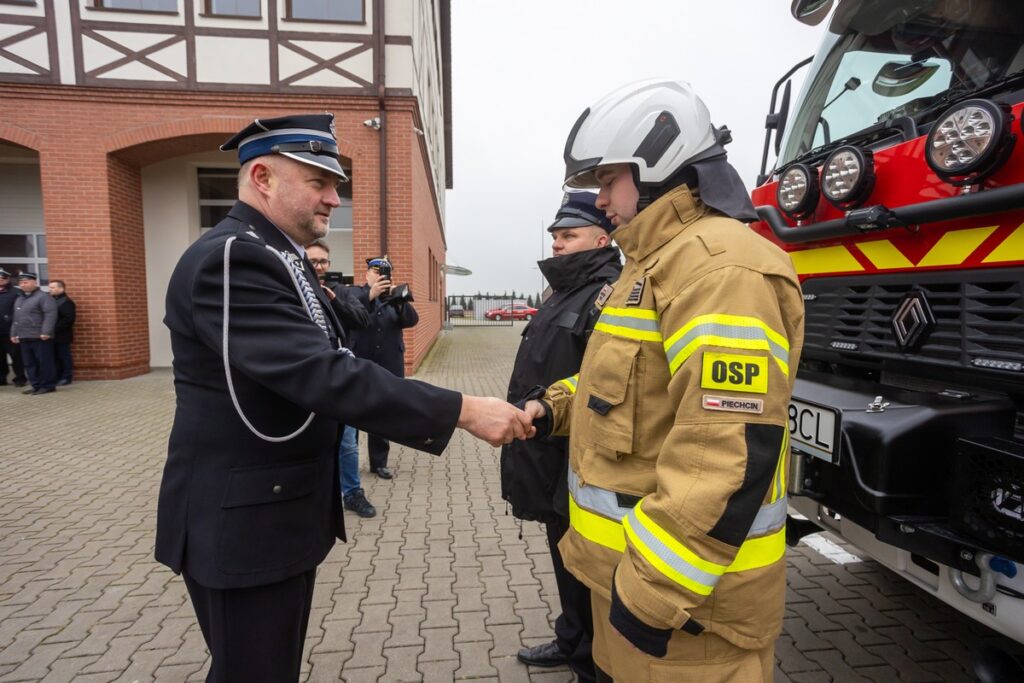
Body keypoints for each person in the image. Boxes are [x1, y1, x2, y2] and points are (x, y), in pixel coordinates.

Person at [156, 114, 532, 683]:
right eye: (318, 182)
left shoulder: (278, 255)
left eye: (337, 183)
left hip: (271, 514)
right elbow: (322, 373)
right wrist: (461, 409)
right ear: (262, 177)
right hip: (243, 525)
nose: (335, 198)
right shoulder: (235, 257)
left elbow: (336, 355)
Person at [523, 79, 805, 682]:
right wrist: (552, 409)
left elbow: (725, 456)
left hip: (687, 614)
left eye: (606, 181)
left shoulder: (722, 270)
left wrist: (649, 598)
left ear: (657, 163)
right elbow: (625, 389)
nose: (599, 201)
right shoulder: (649, 268)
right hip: (622, 586)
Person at [502, 191, 621, 680]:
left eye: (568, 235)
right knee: (563, 554)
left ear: (602, 238)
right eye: (554, 235)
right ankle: (572, 639)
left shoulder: (608, 293)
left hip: (581, 456)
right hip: (547, 447)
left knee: (591, 565)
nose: (557, 244)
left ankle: (595, 662)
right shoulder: (561, 292)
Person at [306, 239, 377, 518]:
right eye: (314, 262)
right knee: (310, 439)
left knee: (347, 441)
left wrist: (334, 301)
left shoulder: (341, 292)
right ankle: (315, 495)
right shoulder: (293, 288)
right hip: (306, 376)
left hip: (337, 375)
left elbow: (361, 320)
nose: (320, 267)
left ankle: (352, 493)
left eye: (324, 261)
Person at [349, 256, 419, 480]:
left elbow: (411, 320)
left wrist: (399, 301)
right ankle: (350, 461)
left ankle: (379, 462)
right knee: (354, 413)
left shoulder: (394, 299)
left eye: (384, 273)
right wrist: (371, 294)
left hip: (389, 363)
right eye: (375, 272)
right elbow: (351, 315)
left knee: (382, 413)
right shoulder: (354, 294)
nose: (379, 276)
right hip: (361, 361)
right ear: (367, 274)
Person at [10, 272, 58, 395]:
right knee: (29, 363)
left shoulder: (43, 297)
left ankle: (47, 385)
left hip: (39, 336)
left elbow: (50, 314)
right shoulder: (20, 298)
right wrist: (14, 333)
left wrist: (46, 331)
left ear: (34, 282)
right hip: (24, 336)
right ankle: (36, 385)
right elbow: (16, 318)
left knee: (44, 362)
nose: (23, 285)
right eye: (21, 283)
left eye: (25, 282)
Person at [0, 268, 27, 387]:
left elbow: (21, 310)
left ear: (8, 279)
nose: (1, 280)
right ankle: (1, 378)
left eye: (3, 278)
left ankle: (20, 378)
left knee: (16, 356)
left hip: (10, 330)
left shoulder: (16, 292)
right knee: (0, 358)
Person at [49, 279, 76, 386]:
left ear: (61, 288)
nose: (50, 289)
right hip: (51, 335)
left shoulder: (66, 302)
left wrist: (54, 329)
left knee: (64, 356)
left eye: (53, 287)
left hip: (62, 335)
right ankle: (57, 376)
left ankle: (66, 377)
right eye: (50, 287)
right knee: (54, 357)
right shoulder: (51, 300)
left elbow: (69, 319)